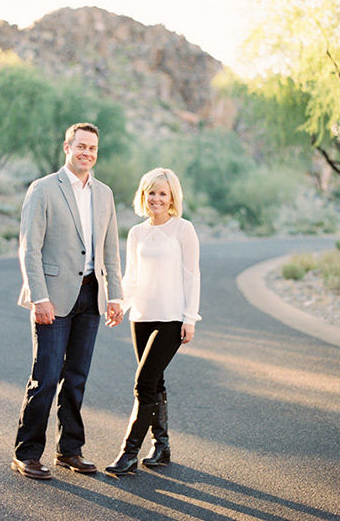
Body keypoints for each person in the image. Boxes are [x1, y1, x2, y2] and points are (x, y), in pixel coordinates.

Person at [13, 122, 124, 480]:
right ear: (67, 147)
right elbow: (29, 248)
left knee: (76, 377)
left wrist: (116, 296)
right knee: (44, 377)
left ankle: (70, 450)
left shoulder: (104, 194)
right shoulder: (44, 189)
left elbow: (111, 250)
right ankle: (27, 452)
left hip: (91, 295)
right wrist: (39, 297)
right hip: (52, 297)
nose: (86, 153)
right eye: (81, 147)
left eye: (92, 148)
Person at [105, 167, 200, 475]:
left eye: (163, 193)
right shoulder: (137, 233)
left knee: (143, 383)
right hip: (142, 317)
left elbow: (192, 276)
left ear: (172, 197)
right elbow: (132, 277)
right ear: (143, 195)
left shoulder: (183, 229)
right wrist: (120, 304)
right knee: (155, 381)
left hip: (172, 318)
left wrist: (190, 318)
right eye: (151, 193)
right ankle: (162, 446)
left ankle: (128, 452)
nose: (156, 199)